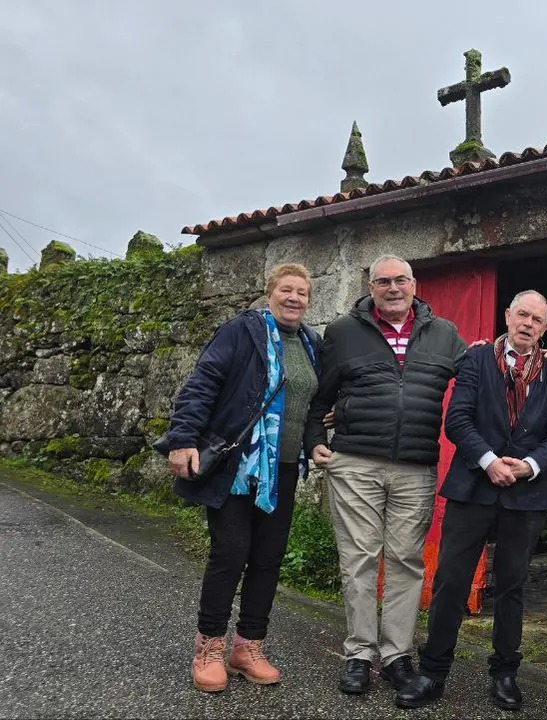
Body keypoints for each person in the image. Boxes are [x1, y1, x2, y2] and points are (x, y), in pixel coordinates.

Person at [304, 255, 467, 709]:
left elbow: (482, 375)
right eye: (383, 281)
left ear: (414, 285)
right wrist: (314, 439)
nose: (393, 288)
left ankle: (397, 655)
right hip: (355, 462)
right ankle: (359, 653)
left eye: (400, 280)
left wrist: (536, 357)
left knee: (405, 561)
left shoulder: (444, 333)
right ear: (370, 287)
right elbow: (321, 393)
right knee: (359, 558)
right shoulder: (342, 332)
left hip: (416, 466)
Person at [161, 263, 321, 693]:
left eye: (302, 292)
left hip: (283, 470)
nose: (294, 298)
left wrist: (316, 442)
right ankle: (209, 647)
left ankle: (248, 647)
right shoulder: (243, 331)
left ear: (309, 300)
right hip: (239, 467)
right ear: (269, 293)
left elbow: (313, 406)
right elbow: (204, 382)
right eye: (286, 289)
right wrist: (183, 438)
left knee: (268, 558)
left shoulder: (312, 344)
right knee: (231, 553)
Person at [415, 290, 547, 711]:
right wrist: (488, 461)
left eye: (536, 319)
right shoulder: (478, 358)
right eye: (522, 314)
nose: (527, 324)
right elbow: (457, 418)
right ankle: (432, 672)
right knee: (451, 582)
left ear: (545, 328)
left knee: (512, 587)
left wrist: (529, 466)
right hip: (473, 487)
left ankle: (504, 674)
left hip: (526, 493)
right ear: (507, 315)